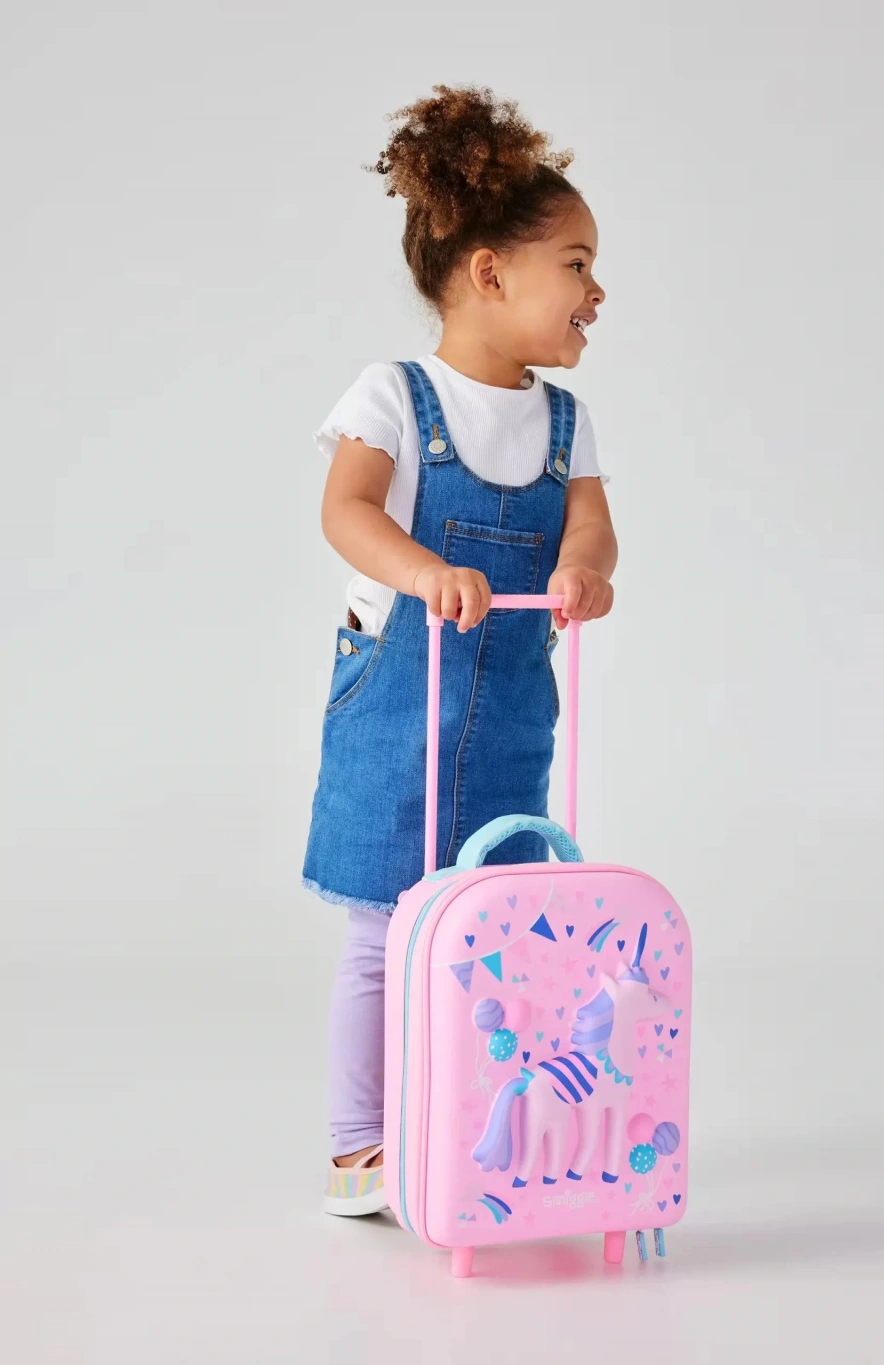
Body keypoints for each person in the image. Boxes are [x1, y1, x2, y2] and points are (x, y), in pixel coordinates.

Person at [304, 86, 616, 1216]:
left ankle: (479, 1122)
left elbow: (591, 526)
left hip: (511, 713)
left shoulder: (566, 421)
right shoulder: (394, 394)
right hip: (400, 705)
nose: (597, 292)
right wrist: (422, 570)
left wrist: (584, 571)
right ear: (490, 272)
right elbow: (347, 511)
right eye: (576, 265)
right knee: (386, 931)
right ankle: (360, 1145)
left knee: (497, 930)